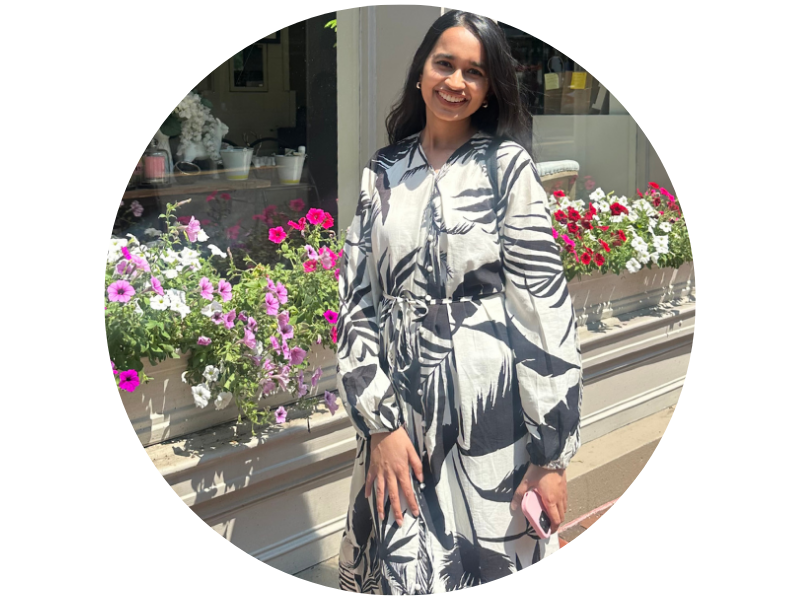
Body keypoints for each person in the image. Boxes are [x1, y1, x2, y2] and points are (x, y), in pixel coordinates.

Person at [335, 10, 582, 594]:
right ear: (422, 72)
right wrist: (380, 426)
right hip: (397, 421)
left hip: (488, 422)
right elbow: (356, 300)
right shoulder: (384, 171)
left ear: (489, 86)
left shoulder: (507, 169)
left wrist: (551, 454)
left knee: (486, 567)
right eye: (444, 63)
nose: (456, 82)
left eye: (474, 71)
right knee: (403, 571)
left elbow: (542, 312)